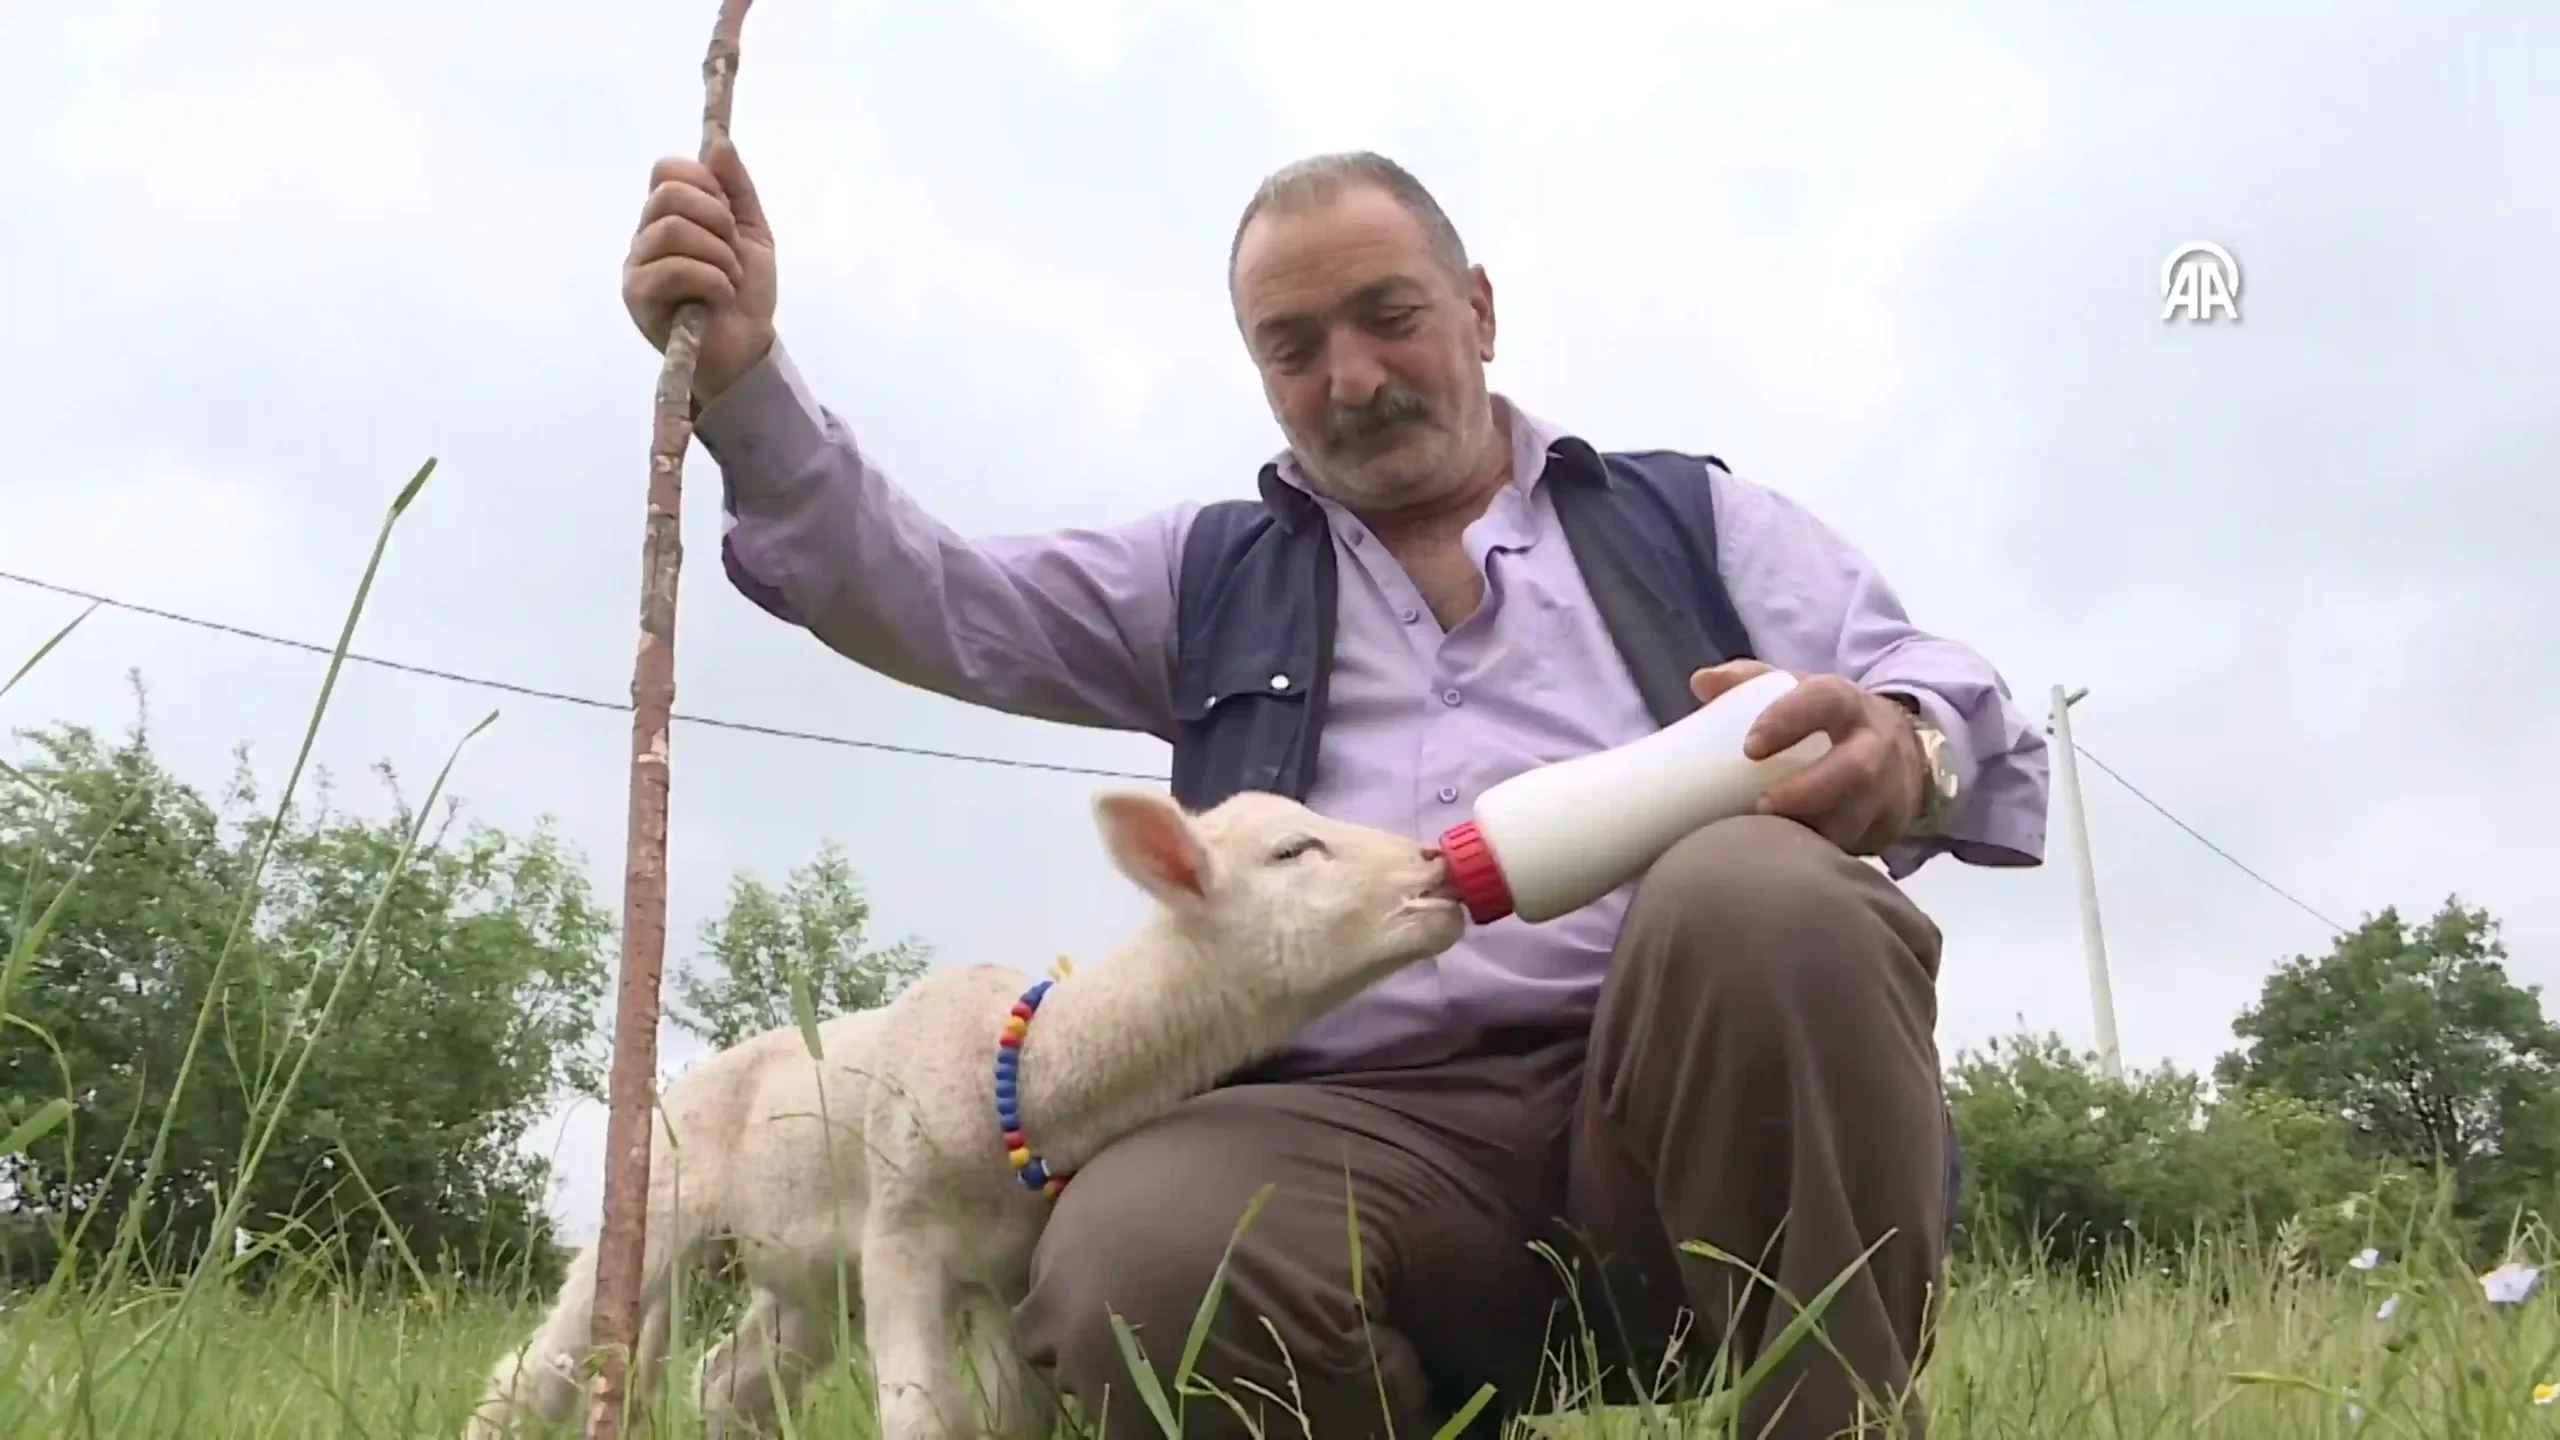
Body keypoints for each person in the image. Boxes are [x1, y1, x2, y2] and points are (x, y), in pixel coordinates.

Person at [621, 141, 2049, 1439]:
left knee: (1764, 890)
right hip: (1345, 1133)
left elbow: (1934, 686)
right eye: (1293, 348)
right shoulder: (1207, 578)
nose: (1353, 379)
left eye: (1389, 316)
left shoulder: (1690, 523)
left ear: (1478, 310)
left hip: (1675, 1112)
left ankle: (1834, 1423)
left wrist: (1905, 744)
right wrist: (748, 387)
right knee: (1141, 1257)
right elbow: (928, 596)